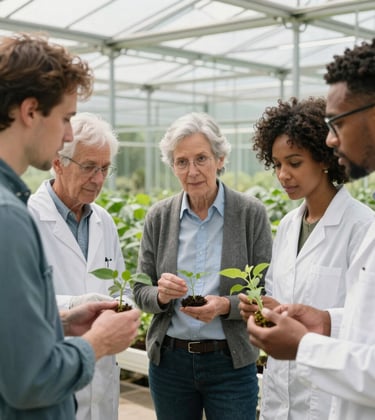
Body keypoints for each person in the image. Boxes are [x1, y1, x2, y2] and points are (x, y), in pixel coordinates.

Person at [0, 32, 141, 420]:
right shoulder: (13, 216)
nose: (66, 132)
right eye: (64, 118)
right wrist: (96, 342)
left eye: (104, 169)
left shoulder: (101, 220)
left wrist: (62, 320)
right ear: (30, 111)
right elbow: (29, 377)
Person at [247, 39, 375, 420]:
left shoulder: (361, 226)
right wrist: (272, 310)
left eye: (295, 162)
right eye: (276, 164)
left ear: (323, 160)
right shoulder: (287, 226)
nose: (283, 175)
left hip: (326, 399)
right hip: (281, 395)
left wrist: (308, 340)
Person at [133, 112, 273, 420]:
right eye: (181, 162)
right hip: (170, 364)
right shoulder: (158, 217)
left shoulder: (251, 214)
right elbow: (139, 289)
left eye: (201, 158)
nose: (192, 171)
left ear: (220, 159)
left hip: (230, 364)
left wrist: (224, 305)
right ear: (172, 166)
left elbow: (265, 293)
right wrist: (161, 295)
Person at [28, 112, 133, 420]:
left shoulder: (104, 221)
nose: (98, 179)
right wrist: (77, 305)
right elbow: (16, 307)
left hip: (102, 380)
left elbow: (119, 287)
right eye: (89, 167)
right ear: (58, 162)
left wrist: (123, 308)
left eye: (105, 168)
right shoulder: (25, 218)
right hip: (51, 380)